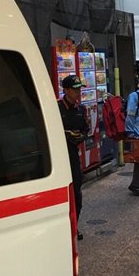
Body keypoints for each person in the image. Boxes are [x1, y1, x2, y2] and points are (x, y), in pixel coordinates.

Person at [58, 74, 89, 239]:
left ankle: (74, 226)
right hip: (58, 155)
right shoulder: (56, 108)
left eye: (79, 89)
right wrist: (65, 135)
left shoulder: (81, 110)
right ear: (66, 90)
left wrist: (80, 137)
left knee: (76, 190)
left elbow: (85, 129)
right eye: (75, 89)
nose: (78, 92)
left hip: (72, 153)